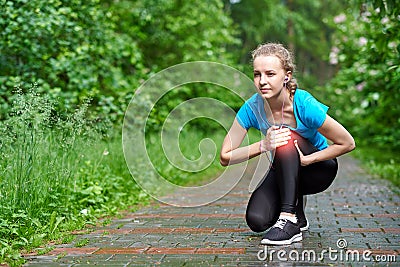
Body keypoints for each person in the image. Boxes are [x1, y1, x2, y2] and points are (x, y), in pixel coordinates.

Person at [220, 43, 355, 245]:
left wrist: (309, 160)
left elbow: (347, 143)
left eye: (270, 74)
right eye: (257, 74)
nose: (262, 81)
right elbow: (225, 157)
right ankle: (297, 212)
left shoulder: (304, 104)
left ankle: (289, 219)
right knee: (257, 220)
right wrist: (263, 145)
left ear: (287, 76)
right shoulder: (251, 108)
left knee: (285, 135)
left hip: (318, 169)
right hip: (284, 168)